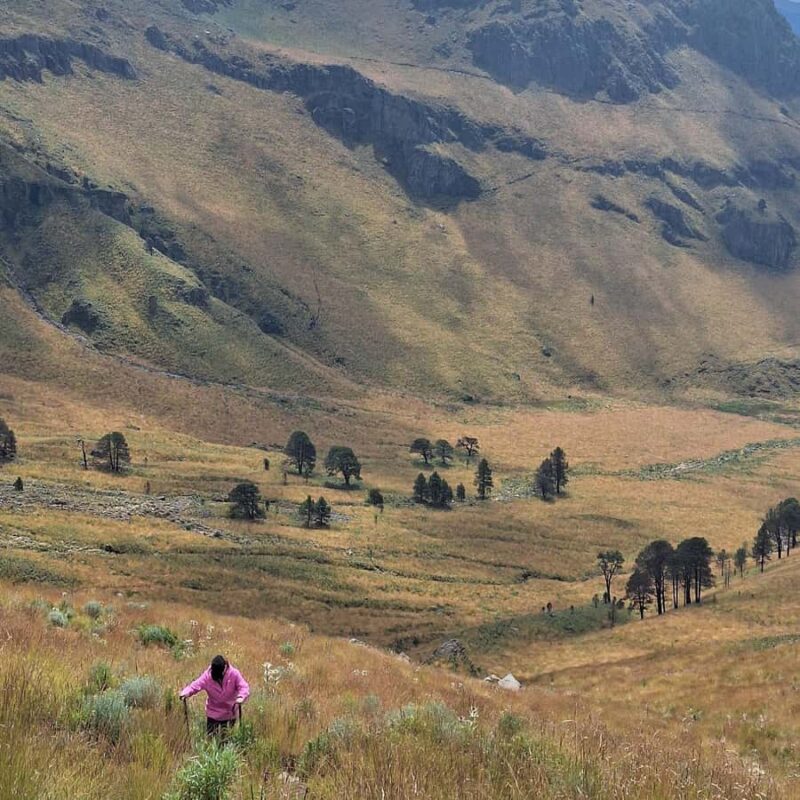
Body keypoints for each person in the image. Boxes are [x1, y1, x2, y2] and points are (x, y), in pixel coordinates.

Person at [180, 655, 250, 737]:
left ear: (225, 668)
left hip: (230, 714)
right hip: (213, 716)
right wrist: (185, 693)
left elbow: (244, 687)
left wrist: (241, 697)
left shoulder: (234, 674)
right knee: (212, 742)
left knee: (228, 742)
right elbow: (194, 686)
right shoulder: (207, 676)